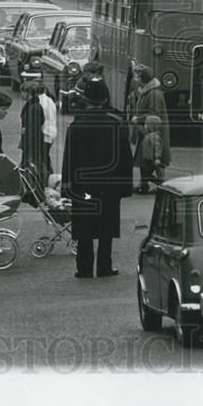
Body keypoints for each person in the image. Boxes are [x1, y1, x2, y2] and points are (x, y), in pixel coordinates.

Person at [61, 77, 133, 278]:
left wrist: (67, 186)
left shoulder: (76, 126)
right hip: (109, 185)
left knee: (84, 228)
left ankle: (83, 268)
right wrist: (126, 187)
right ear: (104, 99)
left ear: (86, 99)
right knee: (106, 228)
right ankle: (104, 266)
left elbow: (69, 159)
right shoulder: (116, 124)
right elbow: (125, 159)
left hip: (82, 184)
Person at [129, 65, 171, 174]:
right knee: (145, 159)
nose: (135, 79)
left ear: (143, 79)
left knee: (155, 158)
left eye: (137, 77)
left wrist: (138, 119)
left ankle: (160, 185)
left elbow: (155, 114)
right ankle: (144, 184)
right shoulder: (146, 91)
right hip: (145, 130)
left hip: (153, 131)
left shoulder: (153, 94)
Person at [20, 80, 49, 185]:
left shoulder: (33, 108)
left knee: (32, 167)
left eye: (23, 92)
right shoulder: (33, 106)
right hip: (33, 143)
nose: (21, 95)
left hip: (32, 144)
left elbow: (33, 129)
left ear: (28, 93)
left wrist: (26, 130)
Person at [136, 115, 166, 193]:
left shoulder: (154, 136)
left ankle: (161, 184)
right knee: (145, 175)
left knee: (146, 175)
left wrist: (157, 158)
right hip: (147, 159)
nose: (145, 126)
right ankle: (144, 188)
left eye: (146, 124)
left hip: (150, 160)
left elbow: (157, 148)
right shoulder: (149, 135)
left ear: (151, 126)